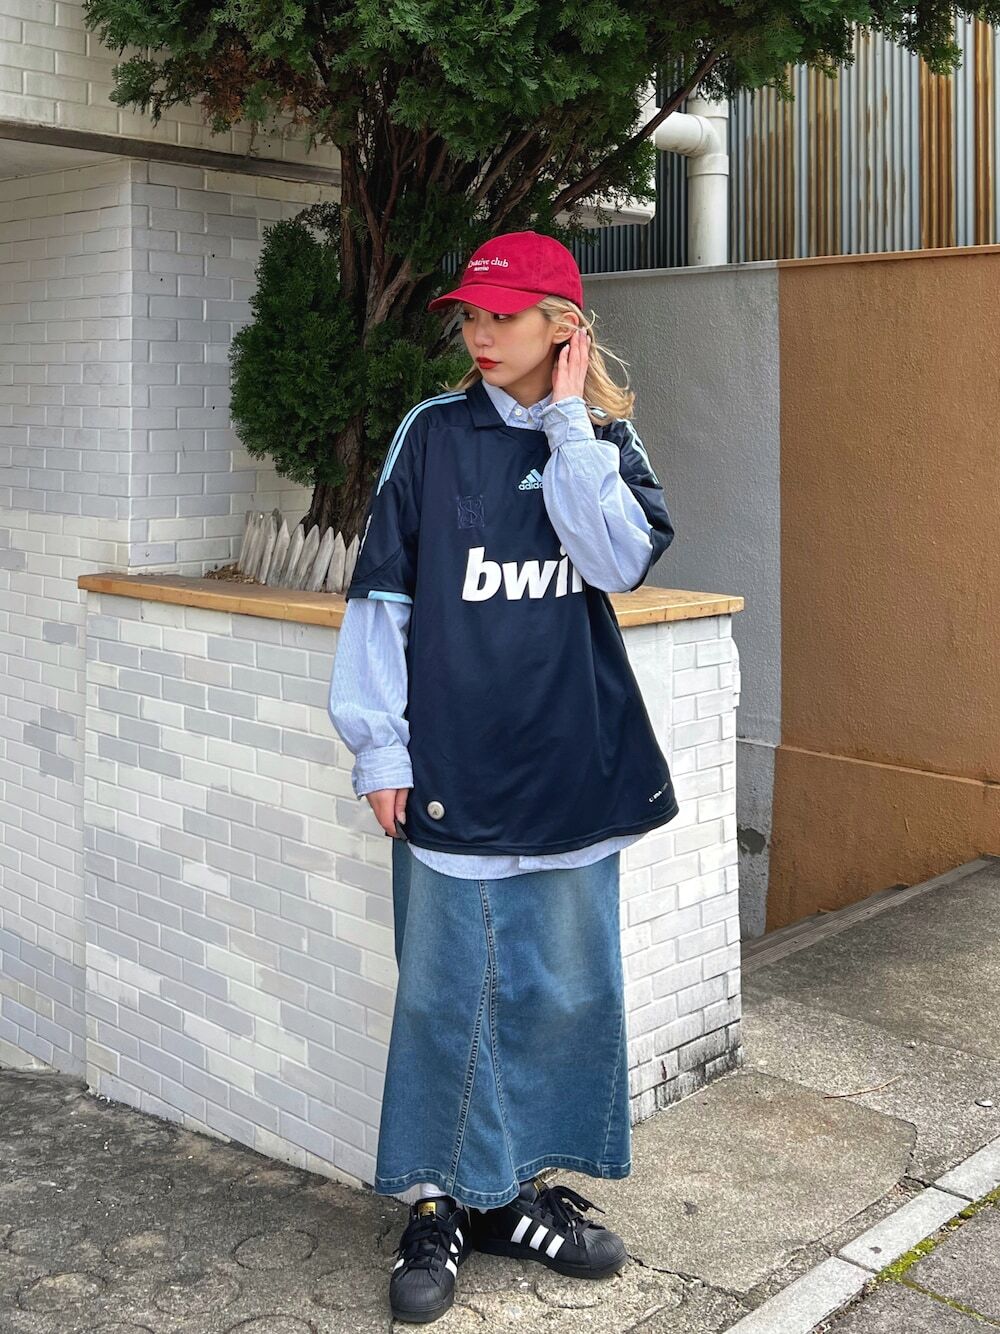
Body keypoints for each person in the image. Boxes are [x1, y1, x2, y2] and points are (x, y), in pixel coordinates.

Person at [328, 229, 679, 1324]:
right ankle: (440, 1205)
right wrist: (381, 746)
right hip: (454, 765)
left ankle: (514, 1196)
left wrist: (568, 424)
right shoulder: (431, 435)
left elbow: (617, 559)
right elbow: (383, 597)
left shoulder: (604, 440)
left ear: (562, 327)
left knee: (559, 992)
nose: (480, 334)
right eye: (471, 316)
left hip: (573, 762)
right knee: (446, 997)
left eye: (504, 315)